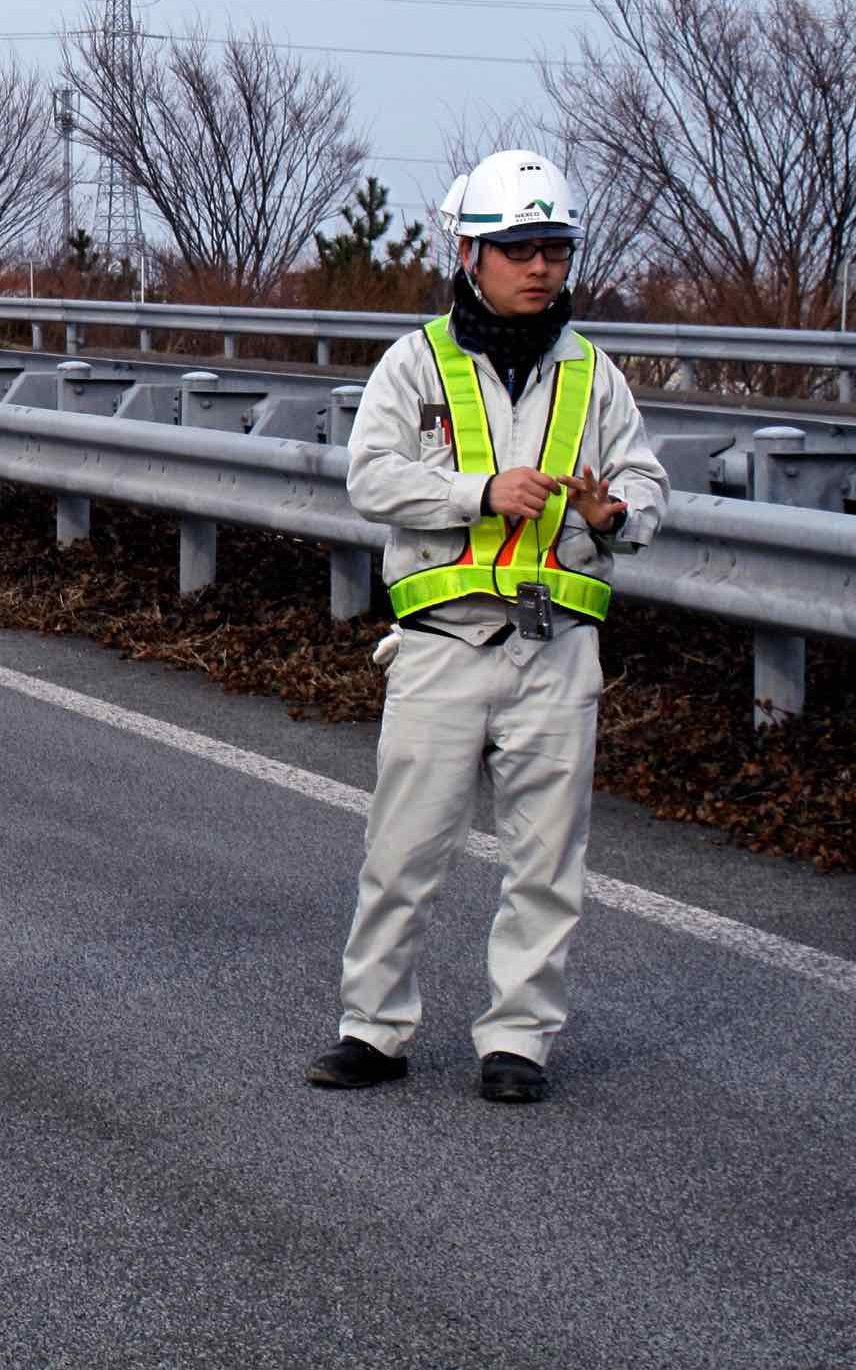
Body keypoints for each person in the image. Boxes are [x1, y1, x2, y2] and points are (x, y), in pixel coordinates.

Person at [307, 149, 667, 1105]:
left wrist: (611, 516)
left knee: (547, 861)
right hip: (440, 646)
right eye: (517, 248)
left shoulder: (596, 376)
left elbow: (645, 490)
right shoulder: (416, 362)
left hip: (558, 651)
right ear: (469, 253)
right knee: (404, 849)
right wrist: (479, 492)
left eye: (553, 247)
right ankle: (372, 1029)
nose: (540, 266)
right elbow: (370, 475)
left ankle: (518, 1041)